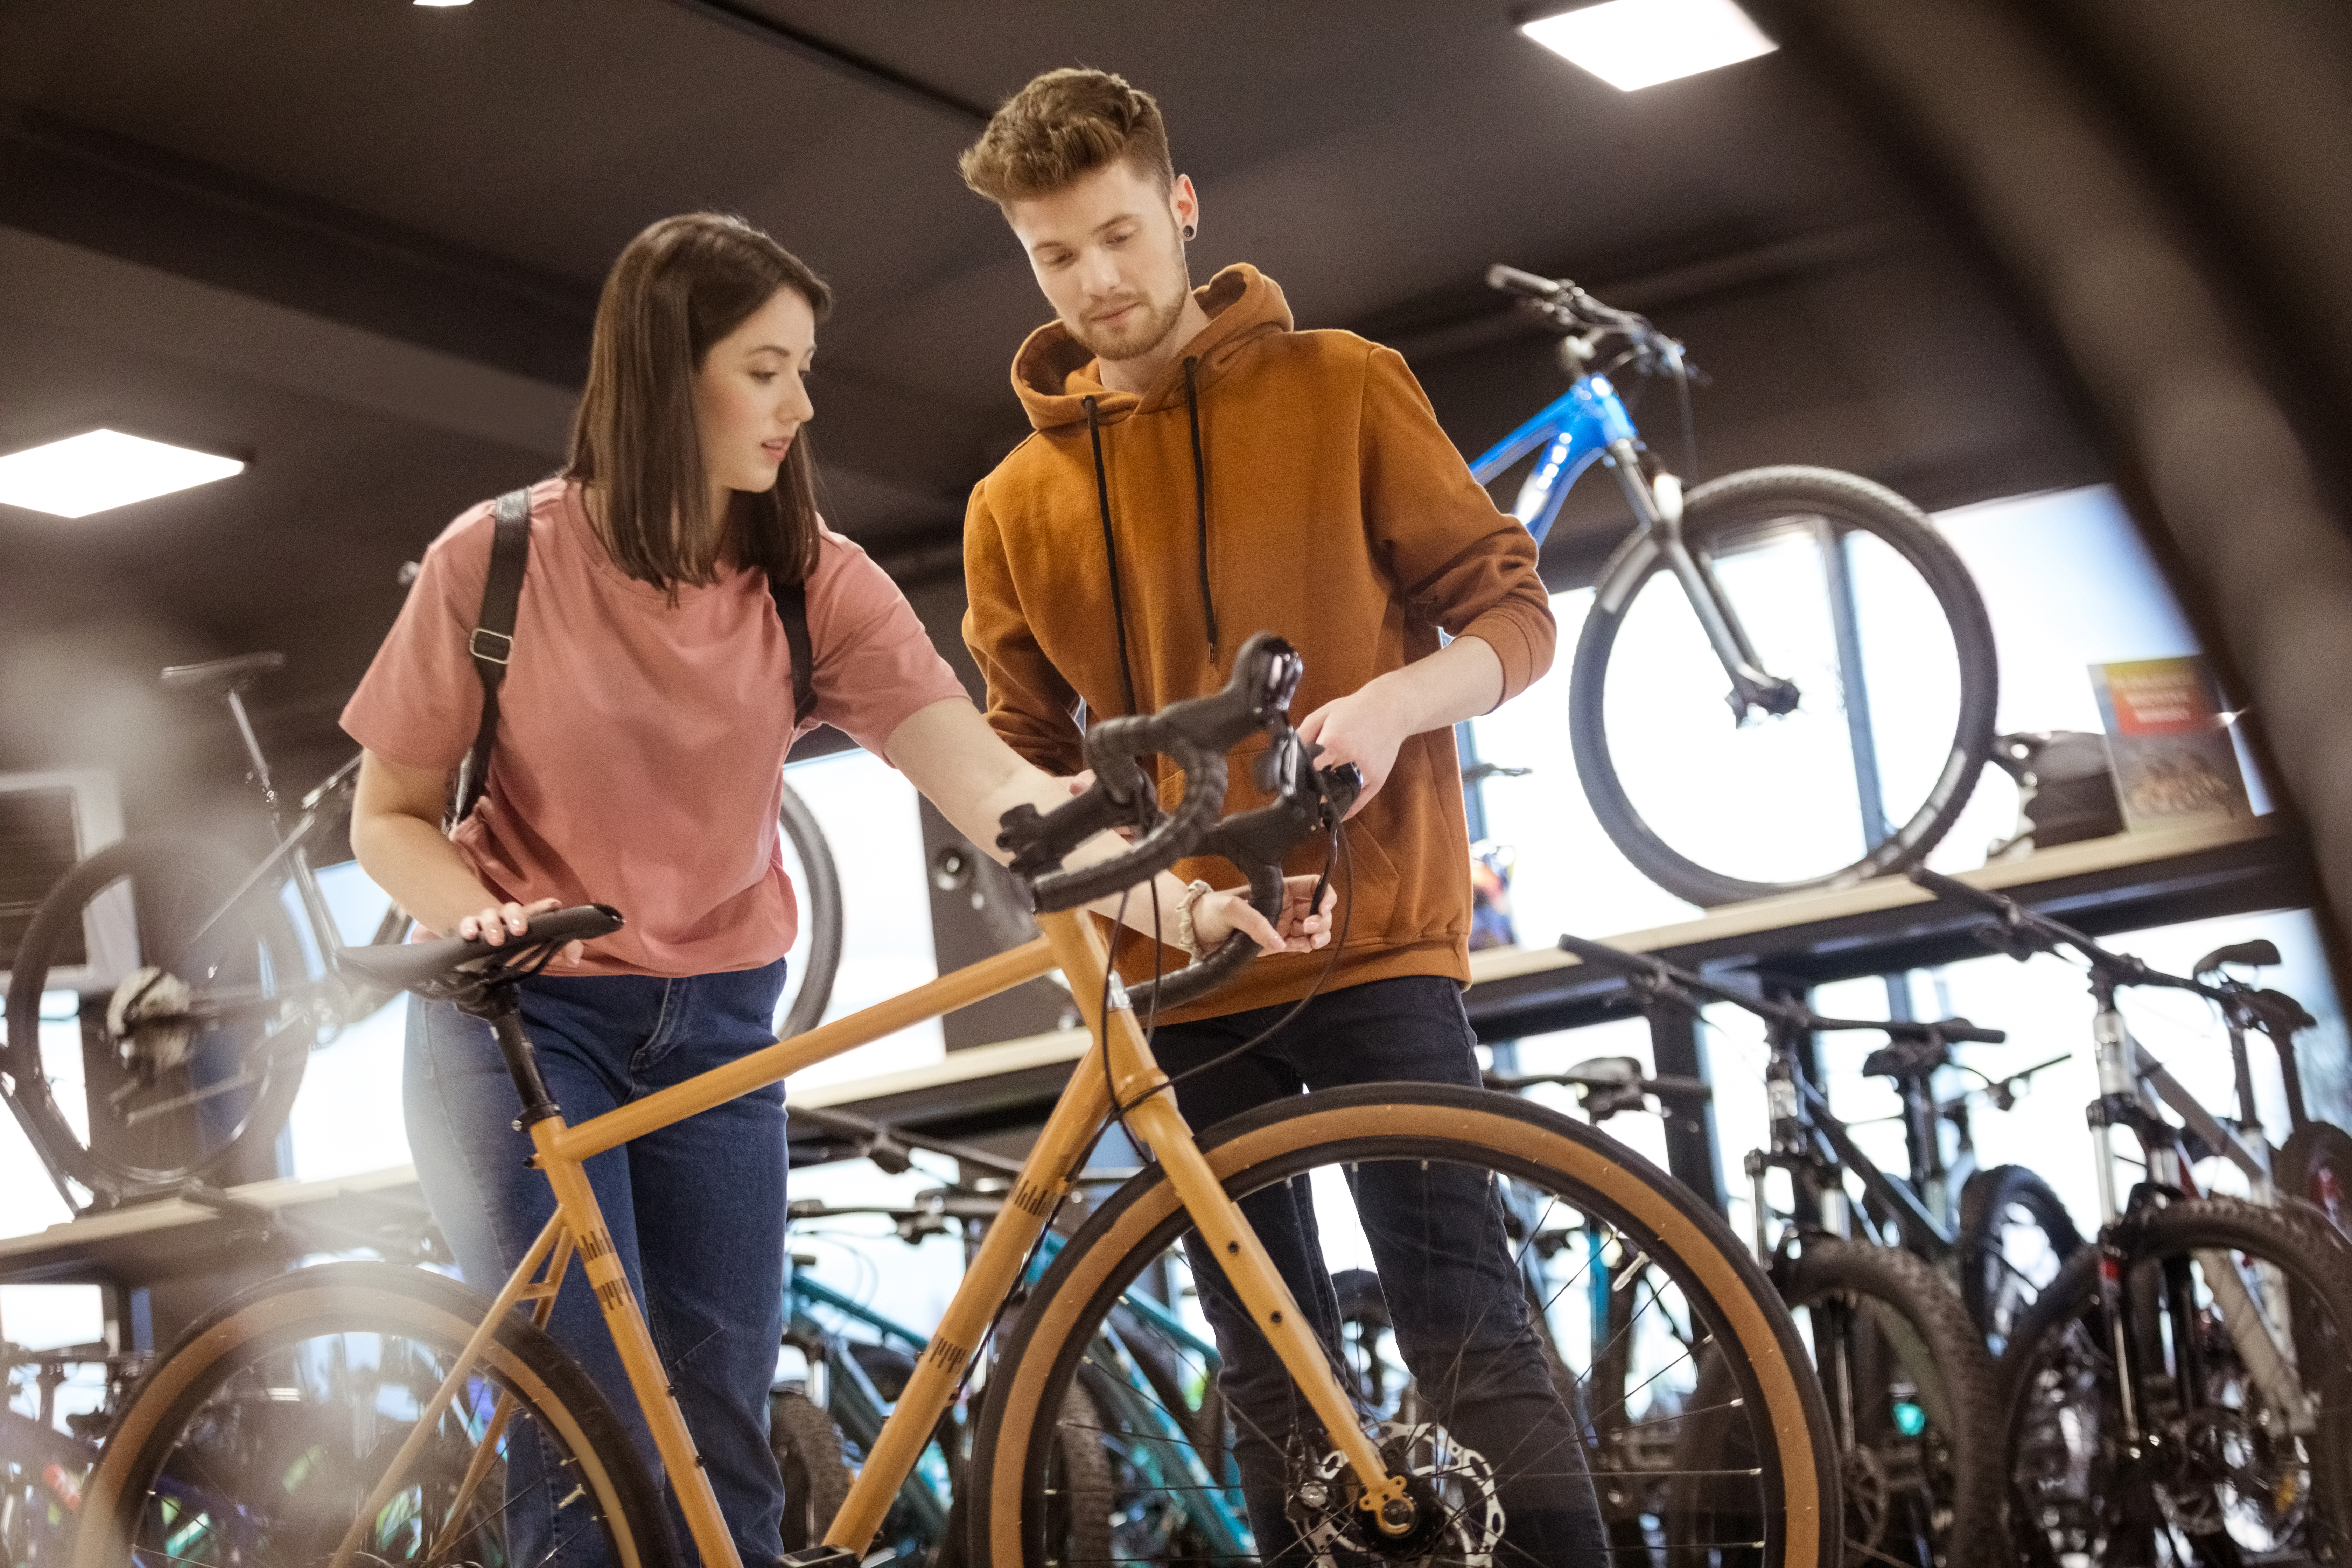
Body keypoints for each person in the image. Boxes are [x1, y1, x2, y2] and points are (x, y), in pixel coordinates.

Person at [343, 211, 1331, 1568]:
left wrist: (1184, 902)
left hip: (719, 1021)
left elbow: (1002, 797)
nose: (803, 403)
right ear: (665, 370)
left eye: (806, 367)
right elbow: (386, 818)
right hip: (522, 1021)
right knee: (596, 1453)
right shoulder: (497, 560)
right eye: (768, 366)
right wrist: (473, 911)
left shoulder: (815, 586)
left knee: (724, 1436)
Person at [957, 71, 1607, 1565]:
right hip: (1178, 983)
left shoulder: (1343, 385)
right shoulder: (1010, 505)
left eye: (1121, 234)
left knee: (1469, 1332)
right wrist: (1144, 900)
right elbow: (1016, 772)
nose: (1099, 280)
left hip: (1382, 949)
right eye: (1057, 256)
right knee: (1269, 1377)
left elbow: (1513, 615)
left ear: (1182, 208)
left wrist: (1391, 704)